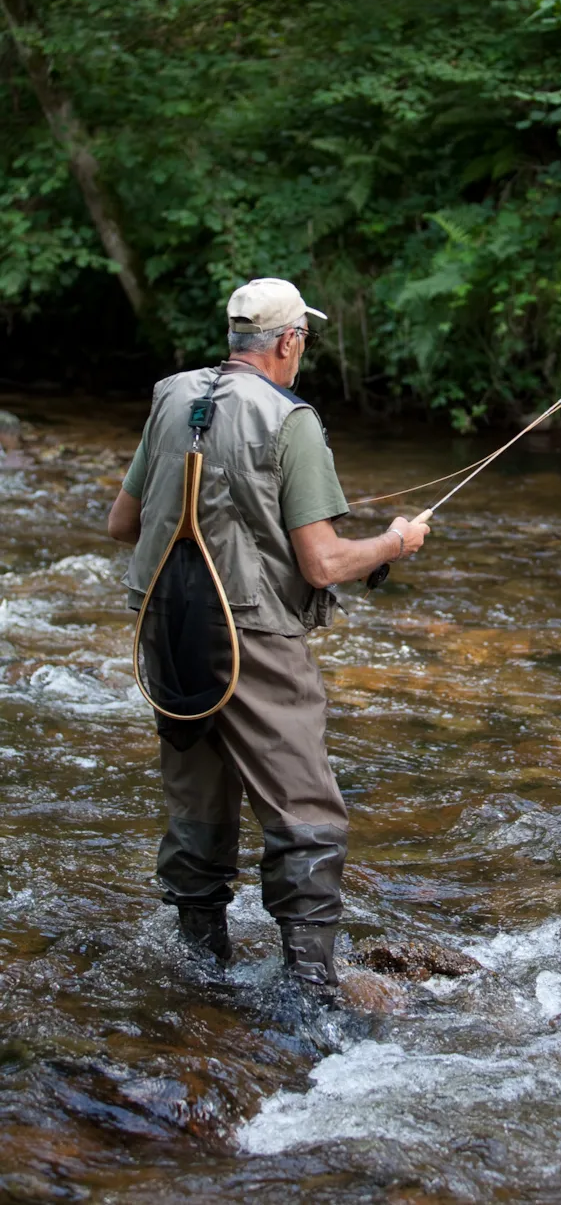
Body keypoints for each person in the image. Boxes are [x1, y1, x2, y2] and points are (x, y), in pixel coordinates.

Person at [107, 277, 428, 1001]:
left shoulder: (171, 398)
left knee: (197, 801)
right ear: (288, 342)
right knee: (306, 811)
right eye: (303, 341)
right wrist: (396, 541)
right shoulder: (291, 418)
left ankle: (199, 971)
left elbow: (120, 527)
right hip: (252, 634)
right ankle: (310, 991)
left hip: (167, 629)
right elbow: (322, 563)